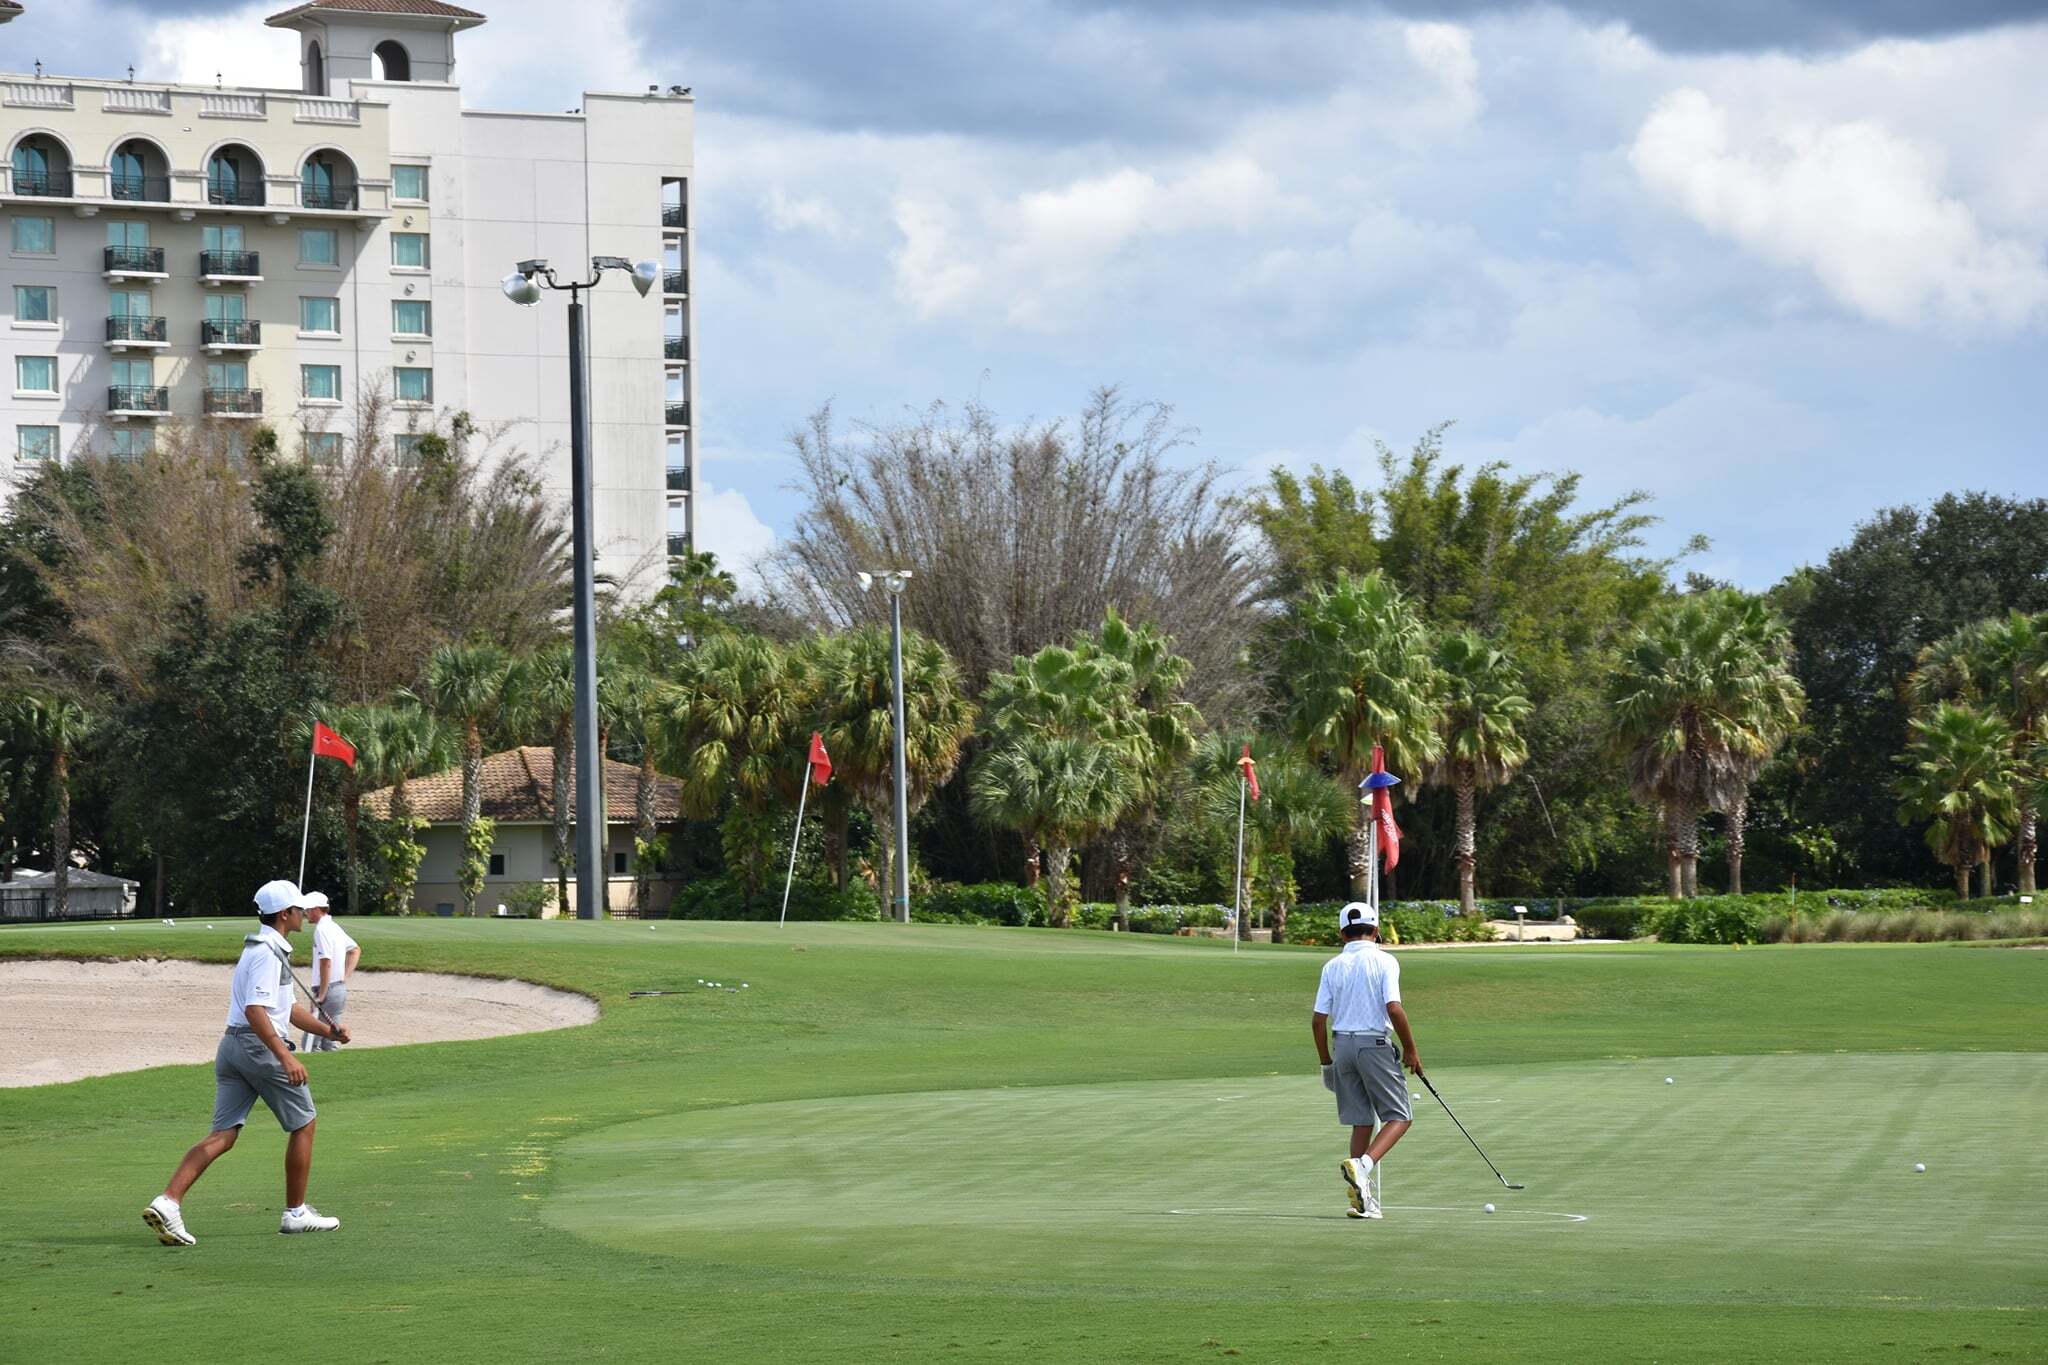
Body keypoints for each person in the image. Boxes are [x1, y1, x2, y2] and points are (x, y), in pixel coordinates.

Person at [142, 879, 350, 1247]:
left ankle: (168, 1202)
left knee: (224, 1134)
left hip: (233, 1047)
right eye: (298, 909)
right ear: (284, 914)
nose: (303, 914)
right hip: (258, 1047)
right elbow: (256, 1011)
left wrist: (327, 1031)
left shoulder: (264, 947)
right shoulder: (267, 954)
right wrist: (285, 1055)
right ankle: (296, 1213)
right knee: (304, 1123)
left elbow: (288, 1008)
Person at [1312, 901, 1423, 1220]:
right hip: (1373, 1045)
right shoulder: (1385, 960)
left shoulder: (1332, 966)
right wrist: (1411, 1050)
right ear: (1375, 930)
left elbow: (1318, 1021)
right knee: (1400, 1117)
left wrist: (1326, 1063)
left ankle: (1361, 1201)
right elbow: (1394, 1008)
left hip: (1342, 1047)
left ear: (1341, 934)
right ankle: (1363, 1166)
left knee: (1361, 1120)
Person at [300, 891, 359, 1053]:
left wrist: (321, 994)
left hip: (327, 991)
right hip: (338, 989)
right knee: (329, 1042)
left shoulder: (321, 930)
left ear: (316, 909)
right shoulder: (333, 927)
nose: (305, 913)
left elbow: (325, 961)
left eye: (308, 909)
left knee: (310, 1044)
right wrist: (343, 978)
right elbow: (355, 950)